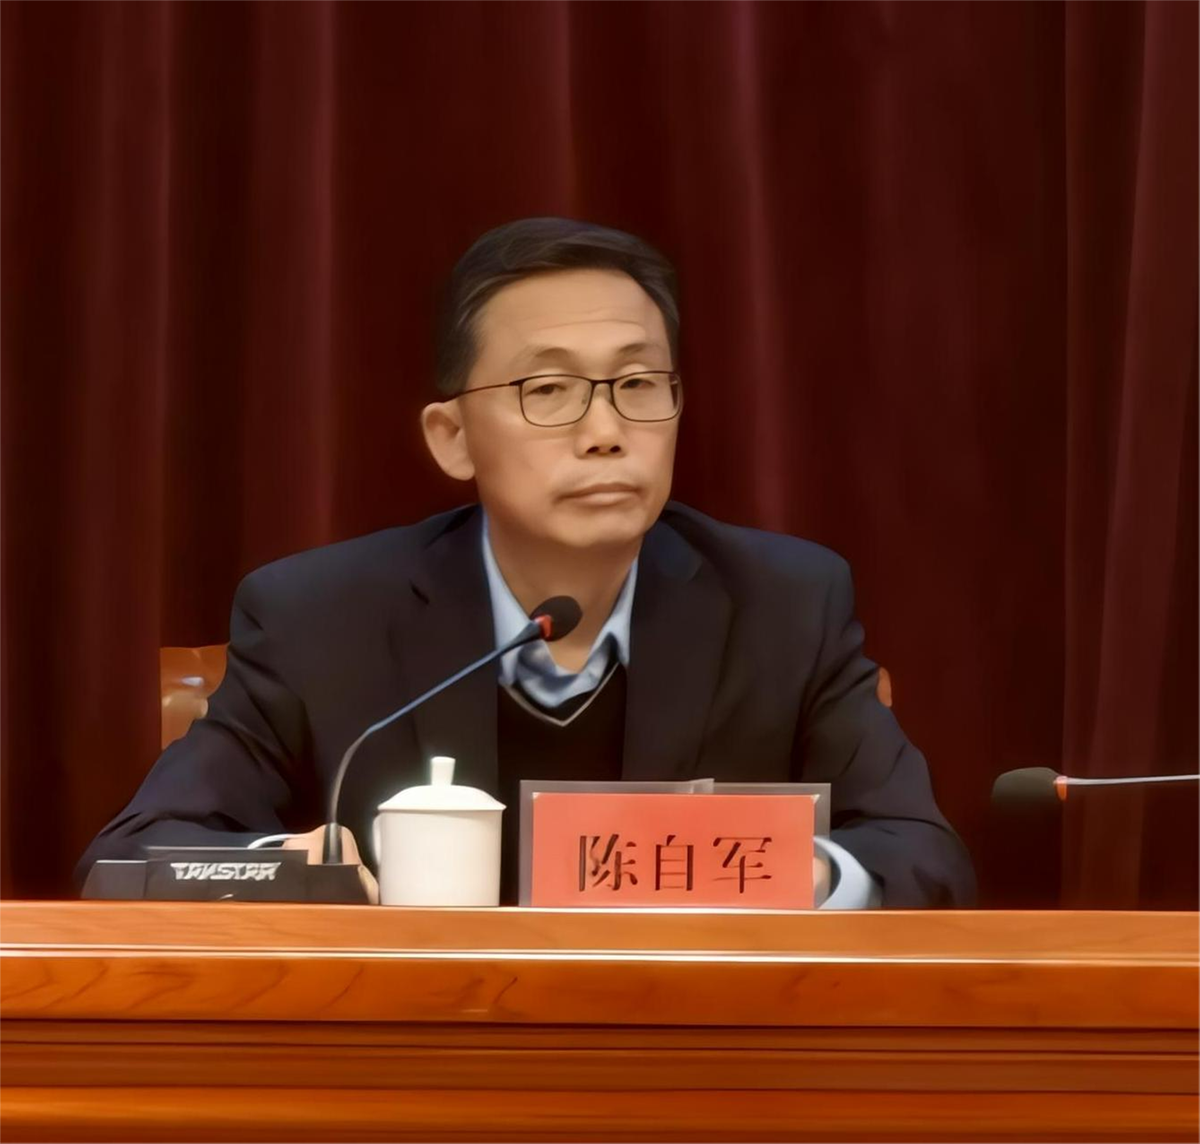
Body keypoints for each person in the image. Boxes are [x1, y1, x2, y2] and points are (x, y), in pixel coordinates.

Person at [79, 217, 975, 907]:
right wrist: (293, 869)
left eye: (638, 384)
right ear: (452, 437)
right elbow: (130, 858)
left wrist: (783, 872)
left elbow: (923, 854)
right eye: (548, 390)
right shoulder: (320, 617)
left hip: (692, 1054)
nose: (605, 432)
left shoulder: (785, 603)